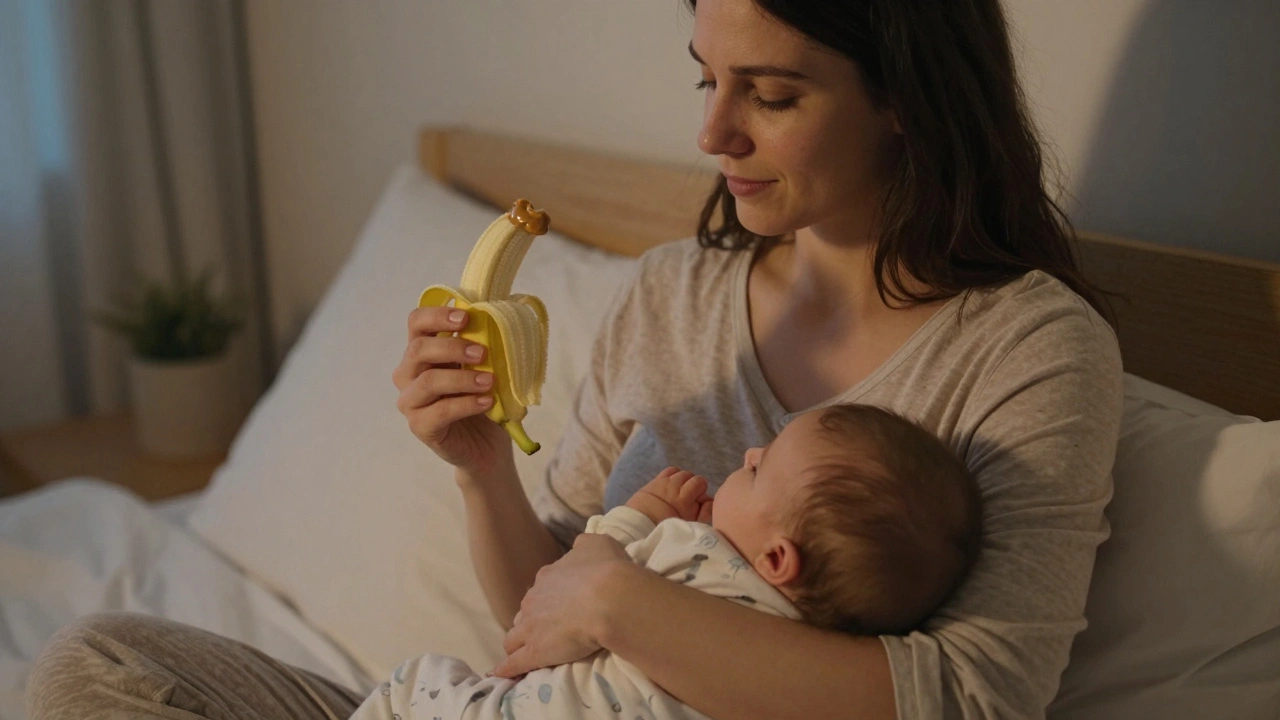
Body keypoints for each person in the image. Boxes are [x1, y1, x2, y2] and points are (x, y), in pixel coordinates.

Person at [26, 1, 1123, 718]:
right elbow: (532, 620)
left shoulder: (1026, 349)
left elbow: (974, 698)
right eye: (707, 80)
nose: (712, 134)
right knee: (96, 670)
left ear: (903, 104)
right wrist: (479, 465)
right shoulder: (670, 296)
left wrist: (620, 603)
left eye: (772, 96)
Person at [348, 404, 982, 720]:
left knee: (413, 685)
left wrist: (643, 513)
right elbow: (545, 610)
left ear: (778, 557)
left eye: (757, 470)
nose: (750, 451)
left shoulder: (692, 551)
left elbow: (585, 570)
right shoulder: (795, 647)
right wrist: (482, 475)